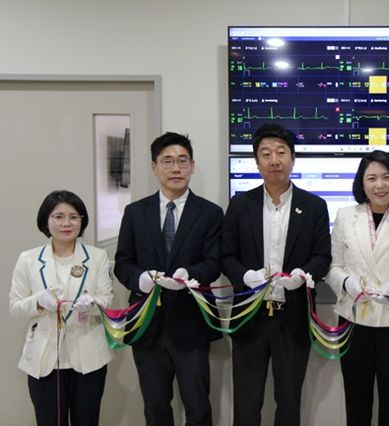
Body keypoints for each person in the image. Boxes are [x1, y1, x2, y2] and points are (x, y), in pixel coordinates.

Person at [221, 122, 331, 426]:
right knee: (246, 403)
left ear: (292, 158)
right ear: (256, 162)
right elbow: (225, 256)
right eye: (266, 153)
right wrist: (245, 277)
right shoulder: (240, 205)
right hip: (249, 317)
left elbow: (323, 256)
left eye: (281, 152)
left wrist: (303, 275)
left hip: (292, 318)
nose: (274, 160)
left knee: (289, 402)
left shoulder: (314, 206)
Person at [114, 132, 224, 426]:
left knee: (198, 407)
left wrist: (191, 274)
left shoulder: (210, 213)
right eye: (167, 161)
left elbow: (213, 264)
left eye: (182, 161)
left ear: (192, 166)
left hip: (191, 323)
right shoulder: (135, 212)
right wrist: (141, 279)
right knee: (155, 407)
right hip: (147, 324)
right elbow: (123, 263)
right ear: (154, 167)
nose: (176, 168)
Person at [324, 150, 389, 426]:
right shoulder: (346, 216)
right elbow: (333, 267)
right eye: (371, 178)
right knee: (356, 401)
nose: (379, 185)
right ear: (362, 183)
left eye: (386, 177)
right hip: (353, 319)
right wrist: (348, 283)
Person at [9, 190, 113, 426]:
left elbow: (106, 300)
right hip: (44, 361)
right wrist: (38, 301)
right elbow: (15, 306)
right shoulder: (28, 259)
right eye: (58, 217)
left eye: (74, 217)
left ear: (82, 221)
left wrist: (91, 305)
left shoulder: (97, 257)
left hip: (89, 357)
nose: (67, 223)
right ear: (46, 221)